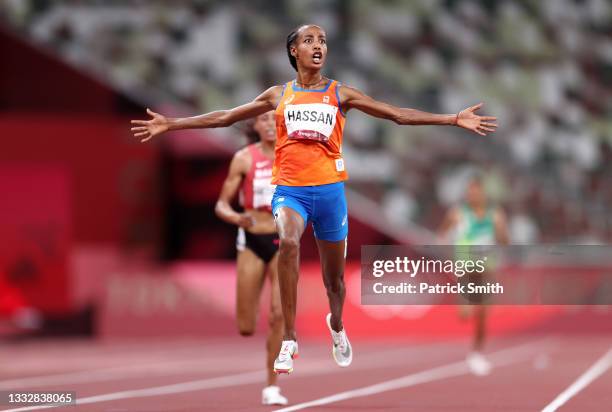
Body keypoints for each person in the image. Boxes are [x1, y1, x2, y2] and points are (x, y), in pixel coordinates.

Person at [131, 24, 498, 375]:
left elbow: (398, 115)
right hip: (290, 191)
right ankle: (289, 338)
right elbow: (226, 116)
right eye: (309, 40)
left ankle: (336, 325)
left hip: (330, 194)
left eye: (322, 40)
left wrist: (452, 119)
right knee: (288, 242)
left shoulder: (341, 93)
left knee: (334, 283)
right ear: (294, 50)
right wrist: (172, 123)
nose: (319, 45)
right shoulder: (279, 95)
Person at [213, 111, 287, 405]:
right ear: (255, 126)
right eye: (264, 120)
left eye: (275, 119)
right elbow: (221, 204)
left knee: (279, 314)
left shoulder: (292, 156)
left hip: (283, 240)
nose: (270, 124)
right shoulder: (244, 158)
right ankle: (250, 322)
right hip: (251, 238)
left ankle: (272, 386)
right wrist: (235, 217)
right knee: (246, 326)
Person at [438, 175, 509, 375]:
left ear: (483, 194)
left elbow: (505, 240)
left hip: (487, 266)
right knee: (465, 314)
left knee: (483, 314)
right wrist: (447, 253)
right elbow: (442, 232)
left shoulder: (495, 214)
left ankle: (477, 353)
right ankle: (465, 304)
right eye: (469, 192)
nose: (472, 195)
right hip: (465, 264)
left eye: (475, 192)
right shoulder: (458, 213)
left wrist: (502, 233)